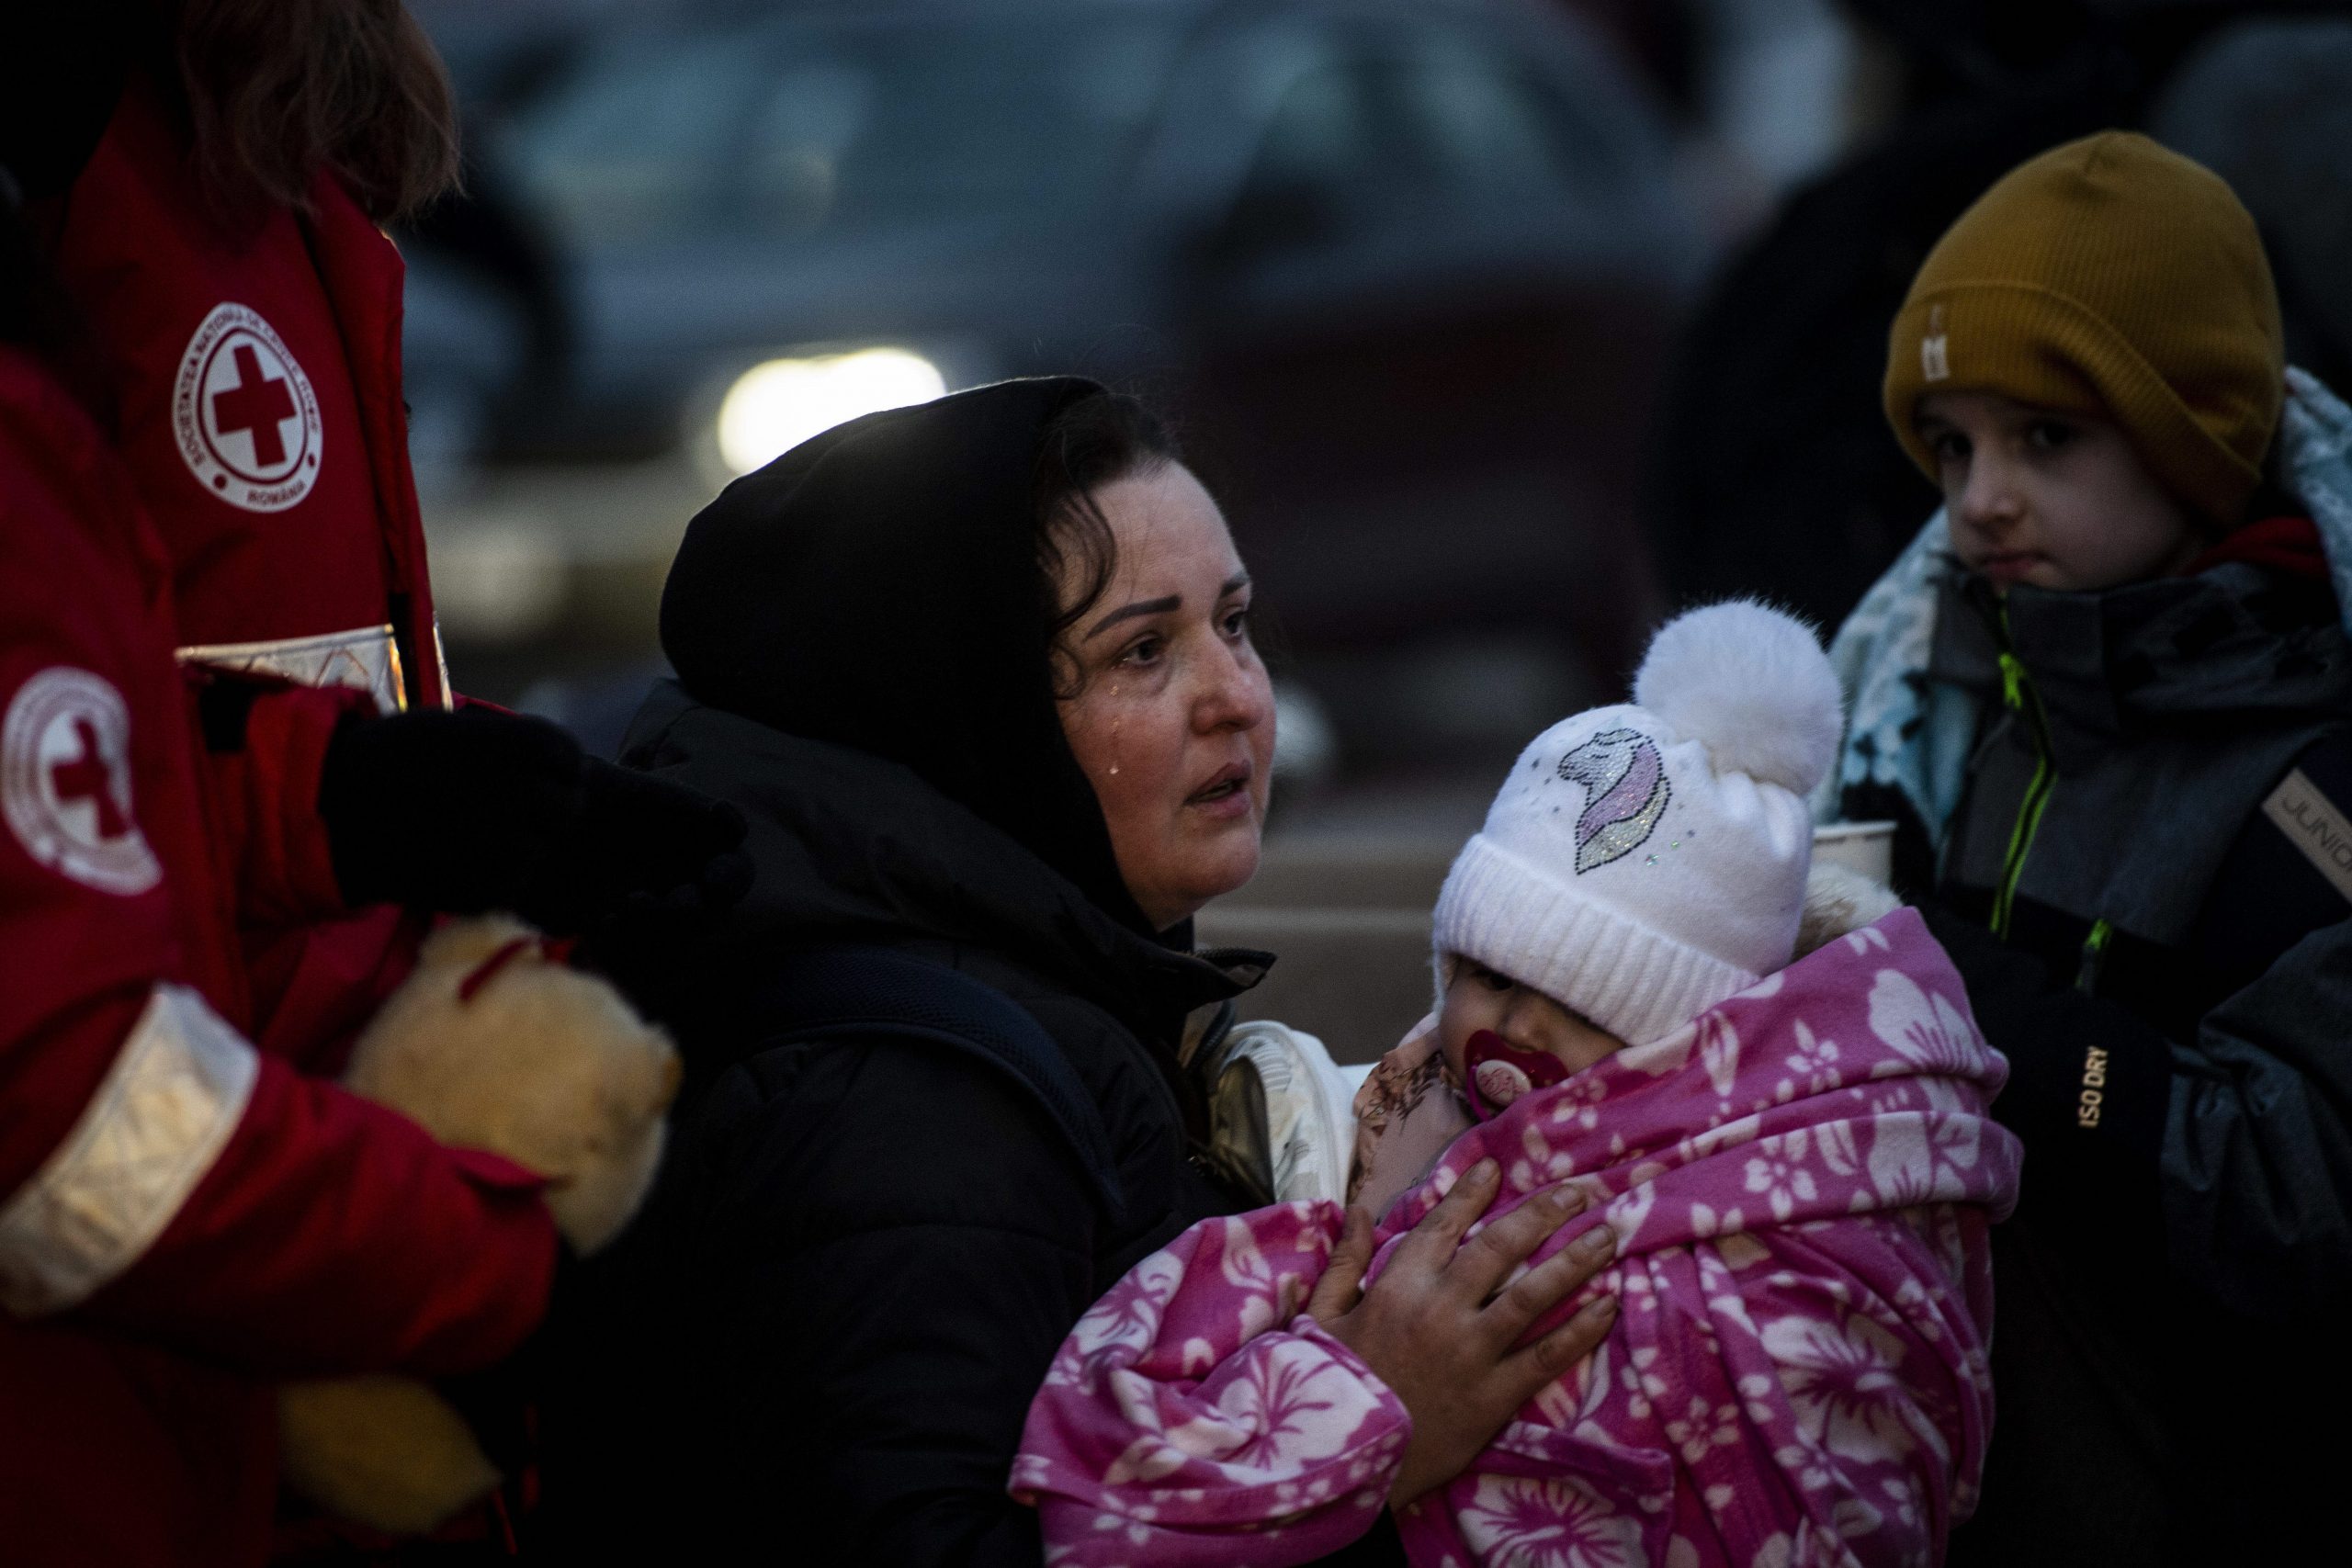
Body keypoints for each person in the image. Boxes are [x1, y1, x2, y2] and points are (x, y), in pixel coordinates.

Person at [547, 378, 1623, 1564]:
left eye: (1237, 622)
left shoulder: (1024, 974)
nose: (1238, 698)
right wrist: (1361, 1433)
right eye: (1144, 650)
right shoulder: (910, 1101)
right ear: (970, 710)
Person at [1013, 601, 2020, 1566]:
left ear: (1689, 1048)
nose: (1517, 1026)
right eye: (1490, 976)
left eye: (1587, 1007)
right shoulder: (1398, 1115)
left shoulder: (1776, 1186)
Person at [1823, 131, 2352, 1562]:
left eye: (2045, 436)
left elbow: (2301, 1194)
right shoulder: (1941, 715)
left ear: (2194, 432)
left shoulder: (2317, 782)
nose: (1980, 495)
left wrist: (1988, 1011)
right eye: (1952, 444)